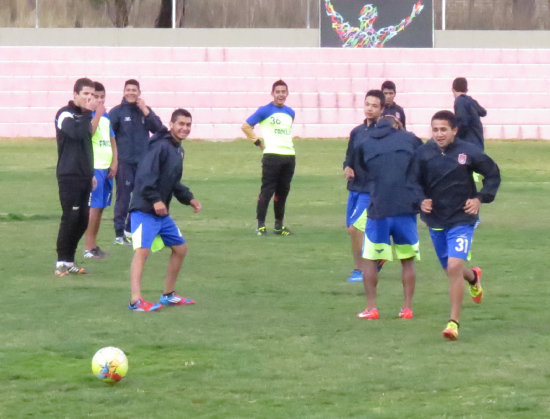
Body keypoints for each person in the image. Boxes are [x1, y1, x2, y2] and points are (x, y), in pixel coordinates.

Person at [415, 110, 500, 340]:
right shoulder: (423, 154)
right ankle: (473, 277)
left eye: (444, 129)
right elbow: (412, 183)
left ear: (455, 130)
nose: (439, 134)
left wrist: (480, 198)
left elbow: (492, 174)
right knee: (450, 269)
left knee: (453, 267)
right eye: (435, 130)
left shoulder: (469, 152)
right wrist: (420, 200)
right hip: (436, 220)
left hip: (462, 219)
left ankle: (453, 322)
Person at [128, 108, 202, 312]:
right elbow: (145, 176)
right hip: (144, 209)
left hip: (161, 214)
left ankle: (168, 295)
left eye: (188, 125)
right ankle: (135, 301)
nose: (184, 128)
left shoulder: (178, 150)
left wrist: (189, 199)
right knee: (142, 252)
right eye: (181, 124)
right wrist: (155, 200)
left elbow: (173, 182)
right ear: (171, 124)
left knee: (180, 249)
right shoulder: (159, 147)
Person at [356, 116, 423, 320]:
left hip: (379, 209)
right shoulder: (410, 139)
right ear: (397, 125)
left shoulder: (365, 142)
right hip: (406, 208)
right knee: (407, 261)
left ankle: (372, 307)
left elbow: (364, 172)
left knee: (369, 259)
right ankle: (407, 308)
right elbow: (421, 165)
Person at [54, 77, 102, 277]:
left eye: (93, 95)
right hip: (69, 175)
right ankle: (60, 263)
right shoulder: (65, 114)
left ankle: (69, 261)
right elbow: (75, 133)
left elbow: (86, 140)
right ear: (75, 95)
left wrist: (89, 173)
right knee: (70, 218)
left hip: (83, 175)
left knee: (82, 220)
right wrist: (90, 113)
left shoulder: (84, 116)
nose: (90, 98)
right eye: (86, 94)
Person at [109, 79, 162, 245]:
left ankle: (130, 229)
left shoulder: (144, 112)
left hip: (143, 163)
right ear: (124, 92)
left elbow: (159, 129)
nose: (131, 93)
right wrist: (114, 161)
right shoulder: (116, 112)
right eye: (128, 90)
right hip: (124, 162)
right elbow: (110, 137)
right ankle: (119, 233)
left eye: (134, 90)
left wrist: (145, 110)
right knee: (123, 197)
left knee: (140, 197)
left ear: (139, 93)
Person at [241, 79, 295, 236]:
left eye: (283, 92)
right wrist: (257, 141)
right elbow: (246, 126)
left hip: (289, 156)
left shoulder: (290, 113)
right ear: (272, 94)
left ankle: (278, 226)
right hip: (272, 156)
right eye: (277, 92)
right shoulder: (264, 110)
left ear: (287, 94)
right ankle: (261, 225)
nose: (280, 95)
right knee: (267, 191)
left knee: (282, 192)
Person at [343, 89, 385, 282]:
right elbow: (349, 157)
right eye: (367, 104)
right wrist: (347, 167)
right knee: (352, 229)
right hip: (355, 187)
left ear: (381, 109)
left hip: (371, 189)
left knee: (355, 229)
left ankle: (359, 269)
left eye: (374, 106)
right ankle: (378, 256)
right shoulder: (357, 132)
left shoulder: (384, 134)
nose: (370, 109)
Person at [83, 81, 118, 259]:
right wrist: (96, 113)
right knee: (94, 208)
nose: (99, 100)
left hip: (106, 168)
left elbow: (112, 140)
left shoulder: (106, 117)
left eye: (102, 97)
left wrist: (115, 162)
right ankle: (88, 247)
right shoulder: (88, 116)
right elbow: (89, 133)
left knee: (102, 207)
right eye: (95, 96)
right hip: (95, 167)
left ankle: (94, 245)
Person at [452, 77, 487, 150]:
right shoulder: (471, 101)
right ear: (466, 90)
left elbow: (463, 123)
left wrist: (454, 136)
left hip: (468, 144)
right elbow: (483, 112)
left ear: (452, 89)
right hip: (478, 142)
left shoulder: (459, 101)